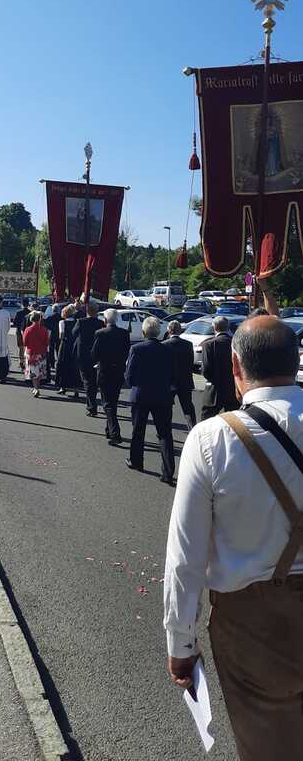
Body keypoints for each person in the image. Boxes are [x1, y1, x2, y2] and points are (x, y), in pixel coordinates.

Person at [164, 317, 303, 761]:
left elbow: (185, 556)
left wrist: (181, 643)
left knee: (268, 746)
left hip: (255, 624)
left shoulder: (213, 438)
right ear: (296, 361)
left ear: (236, 366)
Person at [125, 316, 175, 484]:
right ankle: (168, 471)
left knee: (138, 430)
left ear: (143, 332)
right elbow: (173, 374)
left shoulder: (136, 349)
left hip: (141, 394)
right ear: (159, 332)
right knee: (165, 434)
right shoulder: (168, 350)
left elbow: (129, 375)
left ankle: (136, 461)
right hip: (162, 395)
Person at [90, 308, 130, 443]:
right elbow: (126, 352)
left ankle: (115, 433)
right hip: (118, 370)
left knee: (107, 403)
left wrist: (98, 361)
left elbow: (94, 354)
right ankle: (109, 430)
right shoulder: (124, 333)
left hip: (104, 370)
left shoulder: (100, 333)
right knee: (113, 402)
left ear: (105, 320)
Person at [201, 315, 239, 420]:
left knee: (206, 421)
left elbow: (206, 370)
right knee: (233, 422)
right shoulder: (236, 343)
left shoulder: (209, 344)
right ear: (228, 327)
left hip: (215, 389)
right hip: (233, 388)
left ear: (215, 327)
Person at [163, 319, 197, 430]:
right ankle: (193, 429)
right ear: (180, 331)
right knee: (188, 408)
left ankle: (166, 430)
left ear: (169, 331)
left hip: (169, 381)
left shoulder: (164, 345)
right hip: (185, 380)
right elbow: (191, 363)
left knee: (166, 408)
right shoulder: (188, 344)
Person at [73, 301, 103, 416]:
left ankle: (92, 406)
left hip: (83, 355)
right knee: (93, 381)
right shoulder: (100, 323)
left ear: (87, 311)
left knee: (87, 381)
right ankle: (91, 404)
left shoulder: (81, 322)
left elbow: (73, 333)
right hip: (96, 355)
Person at [55, 304, 81, 399]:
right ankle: (76, 389)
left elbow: (61, 335)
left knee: (62, 364)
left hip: (65, 345)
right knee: (74, 366)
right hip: (74, 345)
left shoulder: (62, 322)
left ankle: (62, 386)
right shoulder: (77, 322)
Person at [22, 311, 50, 397]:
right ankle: (37, 387)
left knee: (33, 372)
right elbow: (47, 342)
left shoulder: (28, 329)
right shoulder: (44, 329)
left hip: (31, 353)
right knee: (40, 371)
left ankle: (36, 388)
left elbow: (25, 342)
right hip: (41, 353)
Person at [13, 298, 31, 370]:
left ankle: (21, 361)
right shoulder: (30, 312)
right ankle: (26, 361)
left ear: (22, 304)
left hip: (19, 331)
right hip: (28, 332)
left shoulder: (18, 312)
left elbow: (15, 323)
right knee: (27, 347)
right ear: (28, 304)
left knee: (21, 347)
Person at [43, 303, 62, 374]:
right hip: (59, 334)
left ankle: (52, 364)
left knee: (51, 349)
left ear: (53, 310)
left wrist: (50, 328)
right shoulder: (61, 317)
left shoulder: (50, 318)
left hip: (52, 334)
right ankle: (59, 363)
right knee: (58, 349)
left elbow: (45, 325)